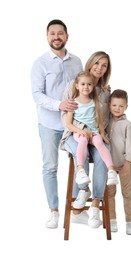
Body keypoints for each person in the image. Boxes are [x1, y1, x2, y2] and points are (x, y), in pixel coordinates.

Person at [31, 19, 83, 229]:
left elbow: (83, 87)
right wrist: (59, 104)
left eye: (60, 33)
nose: (56, 37)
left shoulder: (77, 61)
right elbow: (37, 95)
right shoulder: (40, 63)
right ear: (47, 37)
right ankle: (54, 211)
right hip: (50, 124)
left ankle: (76, 209)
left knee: (80, 164)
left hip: (73, 125)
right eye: (52, 33)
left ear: (67, 37)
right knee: (50, 167)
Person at [61, 51, 112, 228]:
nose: (99, 68)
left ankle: (95, 206)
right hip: (74, 134)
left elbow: (104, 120)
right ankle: (83, 191)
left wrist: (98, 132)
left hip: (95, 135)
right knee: (79, 152)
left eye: (104, 65)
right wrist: (83, 130)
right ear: (90, 63)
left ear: (107, 70)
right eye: (97, 63)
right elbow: (65, 118)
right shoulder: (73, 85)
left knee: (101, 159)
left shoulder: (105, 92)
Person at [65, 71, 118, 186]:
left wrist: (102, 133)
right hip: (80, 132)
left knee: (99, 142)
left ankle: (111, 170)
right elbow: (68, 124)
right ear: (77, 86)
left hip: (93, 131)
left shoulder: (94, 102)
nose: (86, 87)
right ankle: (80, 170)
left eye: (89, 84)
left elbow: (99, 120)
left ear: (93, 86)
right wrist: (81, 131)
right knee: (83, 141)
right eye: (83, 84)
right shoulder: (73, 103)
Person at [107, 89, 131, 235]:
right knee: (110, 193)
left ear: (126, 107)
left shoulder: (128, 125)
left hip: (124, 165)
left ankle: (130, 222)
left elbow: (130, 147)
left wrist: (127, 163)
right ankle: (112, 219)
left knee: (127, 193)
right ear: (109, 105)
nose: (117, 108)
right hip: (109, 166)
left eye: (120, 106)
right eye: (114, 105)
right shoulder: (106, 121)